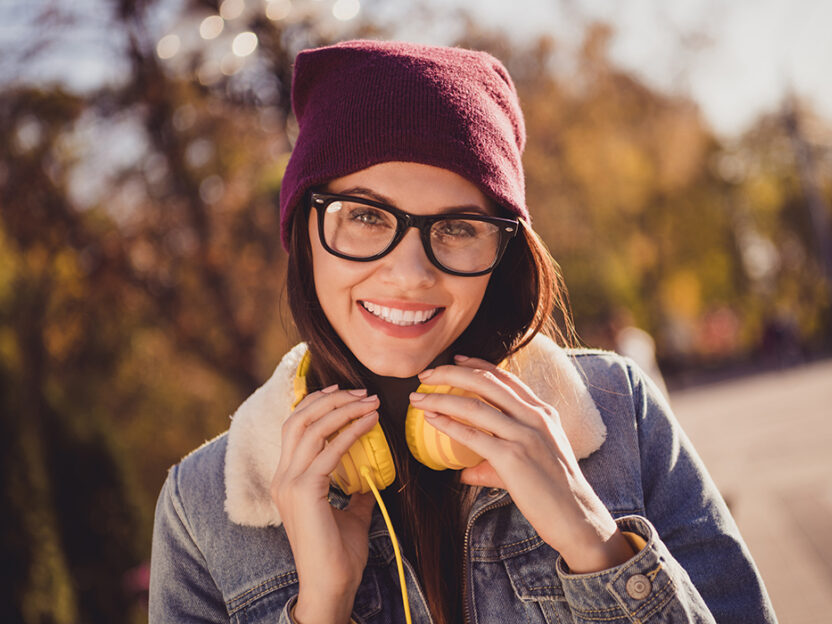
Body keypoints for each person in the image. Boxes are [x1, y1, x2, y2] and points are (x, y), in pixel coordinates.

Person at [149, 40, 777, 624]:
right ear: (303, 232)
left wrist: (597, 544)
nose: (410, 274)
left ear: (502, 253)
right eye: (366, 216)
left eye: (457, 227)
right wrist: (320, 607)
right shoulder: (201, 509)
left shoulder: (618, 412)